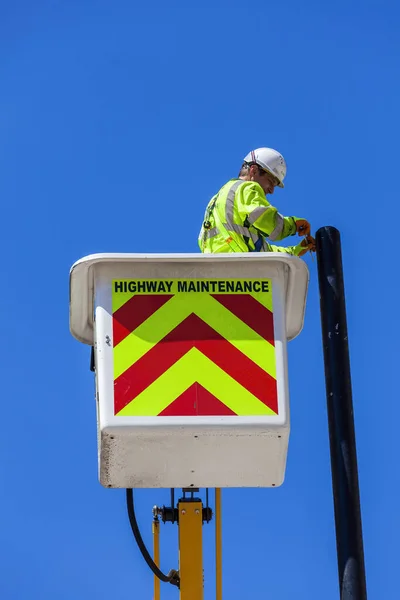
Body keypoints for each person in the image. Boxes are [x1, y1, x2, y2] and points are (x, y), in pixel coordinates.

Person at [198, 147, 316, 256]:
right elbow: (267, 221)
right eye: (270, 181)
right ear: (253, 171)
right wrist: (292, 225)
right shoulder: (247, 188)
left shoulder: (220, 199)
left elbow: (261, 251)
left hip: (217, 269)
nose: (271, 190)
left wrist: (295, 251)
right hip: (238, 268)